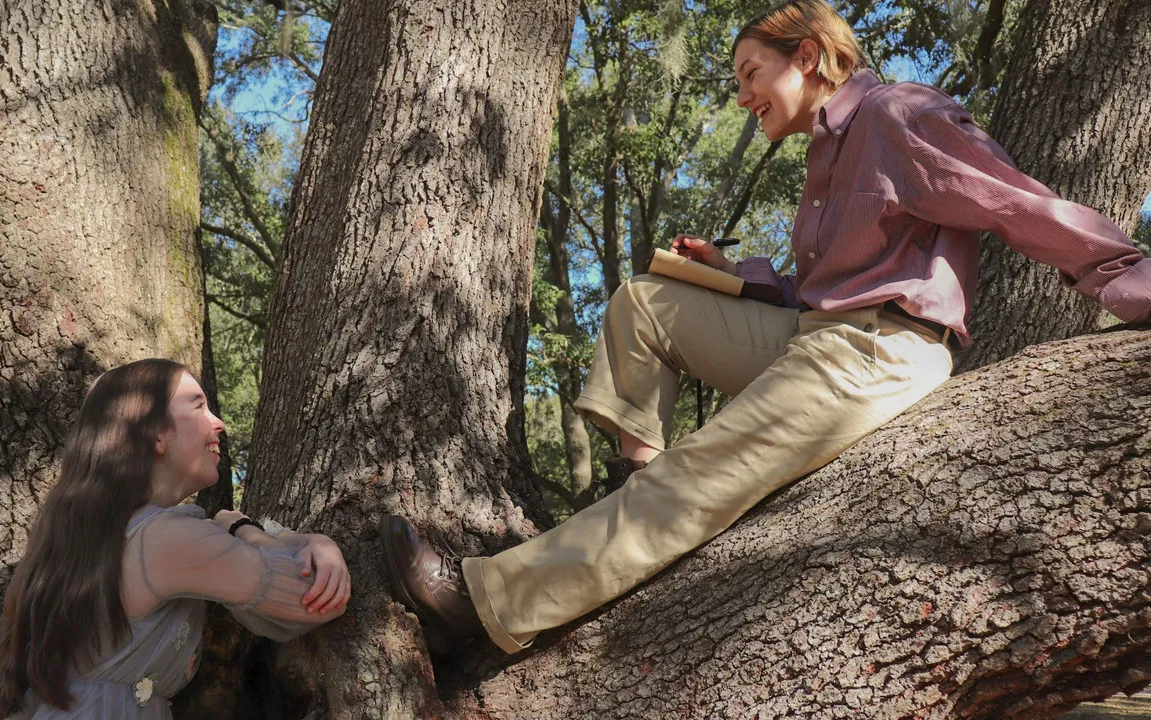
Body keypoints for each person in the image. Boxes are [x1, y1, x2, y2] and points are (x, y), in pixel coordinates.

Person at [380, 0, 1151, 655]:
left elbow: (1016, 203)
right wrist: (736, 272)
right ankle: (633, 489)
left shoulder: (899, 115)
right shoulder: (824, 156)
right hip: (817, 334)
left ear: (808, 57)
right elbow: (816, 292)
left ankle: (480, 610)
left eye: (752, 73)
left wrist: (1127, 278)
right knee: (642, 302)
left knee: (705, 465)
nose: (743, 95)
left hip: (881, 351)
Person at [0, 359, 351, 718]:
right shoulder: (166, 539)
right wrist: (247, 529)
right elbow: (311, 598)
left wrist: (312, 541)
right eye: (199, 406)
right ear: (155, 433)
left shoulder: (94, 538)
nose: (219, 423)